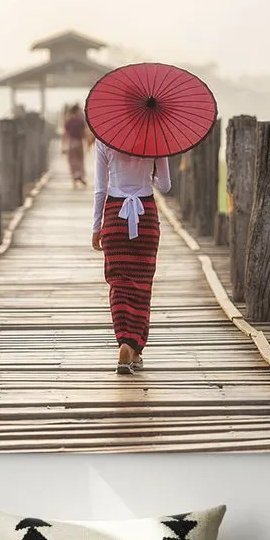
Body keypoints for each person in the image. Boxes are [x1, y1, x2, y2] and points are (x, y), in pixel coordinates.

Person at [91, 140, 172, 374]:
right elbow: (165, 186)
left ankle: (124, 343)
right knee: (142, 285)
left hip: (115, 216)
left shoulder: (104, 138)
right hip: (145, 216)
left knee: (119, 283)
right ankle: (135, 349)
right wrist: (151, 175)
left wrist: (97, 227)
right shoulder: (157, 138)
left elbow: (100, 188)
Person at [62, 104, 88, 187]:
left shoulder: (69, 121)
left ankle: (74, 178)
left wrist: (63, 145)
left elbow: (66, 133)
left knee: (72, 161)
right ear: (77, 111)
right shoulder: (81, 121)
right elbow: (83, 133)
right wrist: (87, 143)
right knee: (80, 160)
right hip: (79, 142)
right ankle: (80, 175)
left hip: (72, 142)